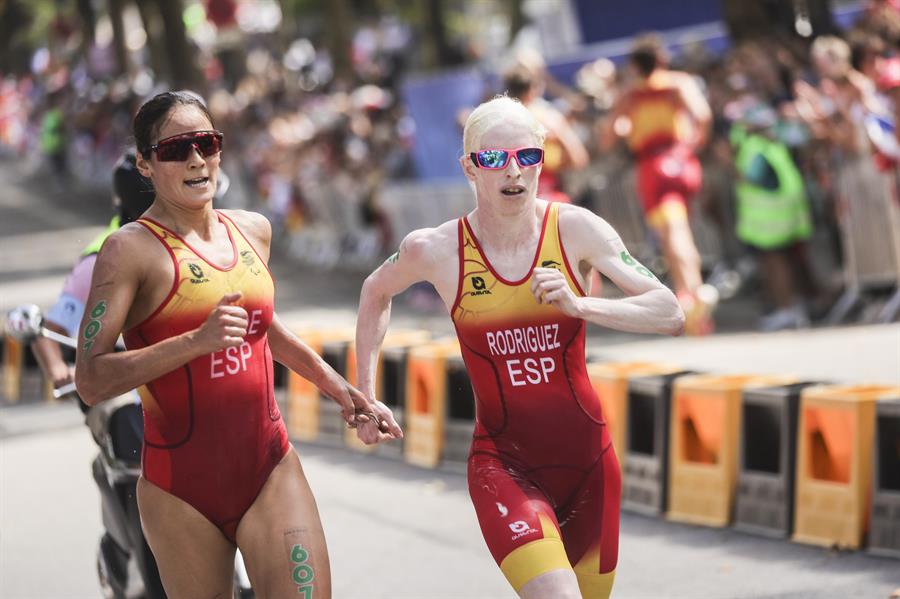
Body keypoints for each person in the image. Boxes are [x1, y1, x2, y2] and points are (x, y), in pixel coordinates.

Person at [355, 95, 684, 599]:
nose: (513, 172)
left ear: (541, 160)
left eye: (526, 157)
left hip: (590, 465)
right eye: (494, 160)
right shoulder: (437, 249)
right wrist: (366, 392)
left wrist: (581, 306)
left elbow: (670, 311)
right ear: (470, 168)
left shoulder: (575, 229)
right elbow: (375, 292)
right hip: (504, 466)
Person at [74, 90, 401, 597]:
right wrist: (194, 342)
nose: (196, 159)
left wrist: (341, 390)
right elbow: (91, 379)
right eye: (175, 149)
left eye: (206, 142)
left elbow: (261, 326)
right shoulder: (129, 251)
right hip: (179, 489)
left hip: (268, 465)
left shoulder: (253, 231)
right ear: (145, 164)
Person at [602, 33, 719, 334]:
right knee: (679, 230)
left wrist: (626, 129)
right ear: (662, 59)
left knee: (672, 235)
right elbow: (702, 116)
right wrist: (693, 145)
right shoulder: (679, 83)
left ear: (635, 66)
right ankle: (693, 301)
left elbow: (609, 134)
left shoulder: (631, 93)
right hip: (682, 161)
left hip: (654, 166)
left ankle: (691, 294)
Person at [31, 151, 154, 396]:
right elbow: (52, 330)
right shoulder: (99, 261)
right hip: (123, 393)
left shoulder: (197, 243)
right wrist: (58, 370)